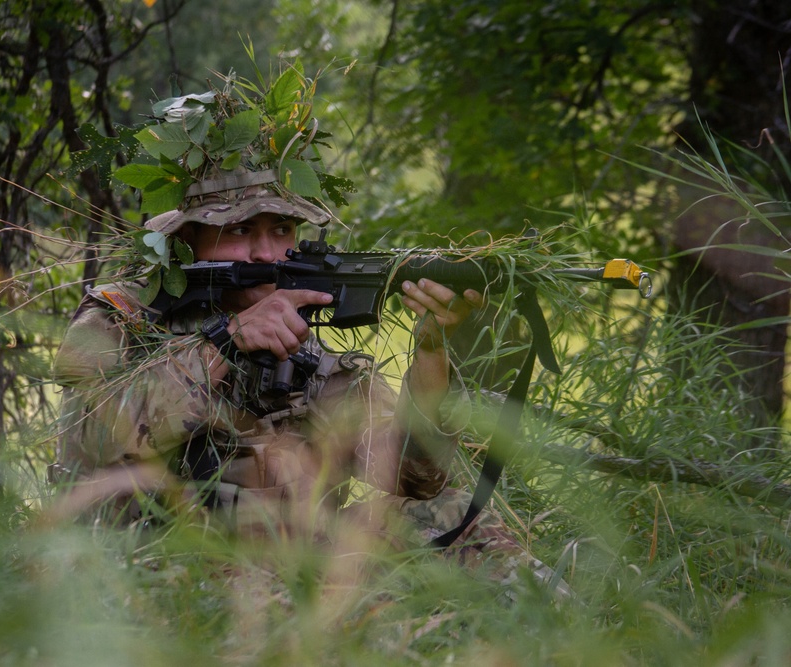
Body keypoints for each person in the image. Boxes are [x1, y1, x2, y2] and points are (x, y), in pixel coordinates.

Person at [50, 167, 568, 595]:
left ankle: (565, 626)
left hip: (291, 551)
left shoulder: (306, 352)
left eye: (281, 231)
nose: (265, 255)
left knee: (451, 511)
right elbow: (93, 438)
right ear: (189, 238)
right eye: (238, 230)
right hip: (157, 558)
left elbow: (417, 476)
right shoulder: (125, 316)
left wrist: (431, 349)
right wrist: (227, 342)